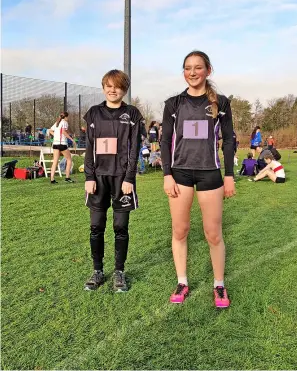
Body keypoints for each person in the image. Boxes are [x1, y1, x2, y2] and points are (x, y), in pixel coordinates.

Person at [161, 50, 235, 308]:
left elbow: (229, 141)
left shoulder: (221, 103)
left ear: (208, 70)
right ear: (184, 72)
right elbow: (165, 140)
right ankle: (182, 281)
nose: (192, 72)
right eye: (188, 68)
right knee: (180, 230)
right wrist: (167, 174)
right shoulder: (173, 103)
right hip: (179, 174)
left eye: (198, 67)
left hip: (209, 173)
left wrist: (229, 176)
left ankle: (219, 285)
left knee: (213, 233)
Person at [83, 69, 143, 292]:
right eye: (108, 85)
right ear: (103, 87)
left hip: (122, 179)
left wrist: (129, 177)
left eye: (117, 86)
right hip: (98, 178)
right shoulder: (93, 113)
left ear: (124, 89)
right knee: (96, 226)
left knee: (121, 226)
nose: (112, 89)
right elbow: (89, 147)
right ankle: (97, 270)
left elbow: (134, 149)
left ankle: (119, 272)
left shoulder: (133, 114)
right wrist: (89, 176)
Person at [49, 112, 75, 184]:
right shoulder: (65, 122)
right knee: (69, 160)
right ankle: (67, 177)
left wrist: (56, 135)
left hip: (55, 144)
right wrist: (71, 139)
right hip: (62, 144)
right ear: (66, 117)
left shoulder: (57, 122)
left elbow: (50, 130)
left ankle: (52, 179)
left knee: (55, 161)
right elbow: (64, 132)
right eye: (68, 117)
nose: (68, 118)